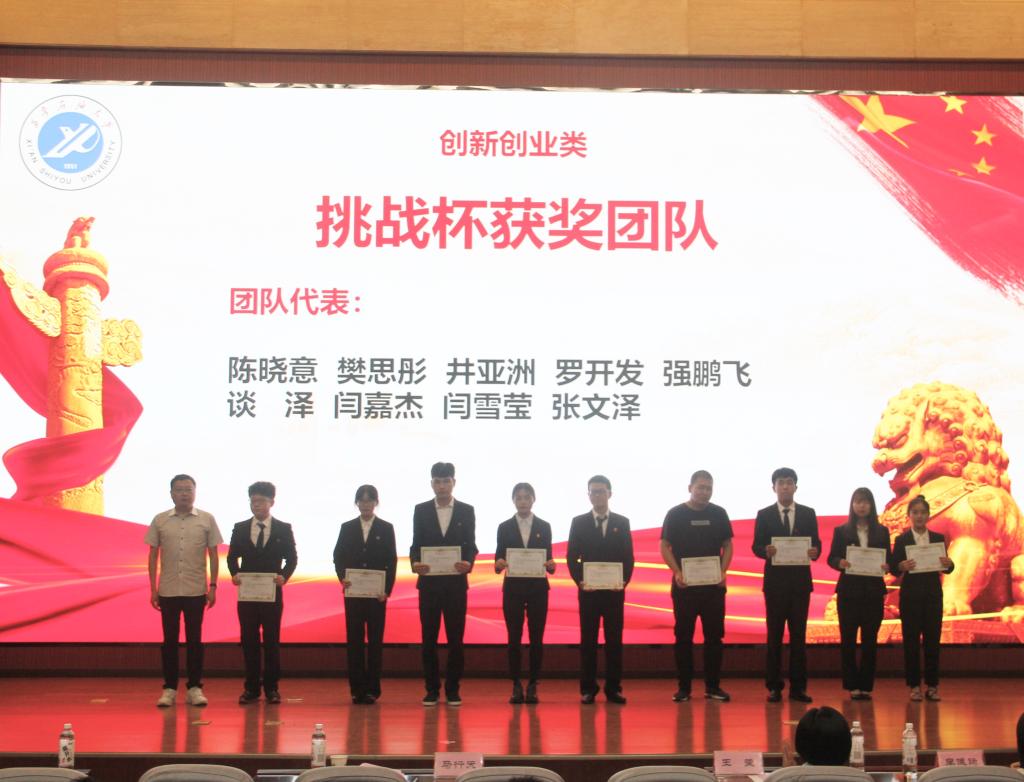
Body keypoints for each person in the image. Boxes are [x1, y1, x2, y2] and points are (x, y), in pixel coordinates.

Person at [145, 474, 223, 708]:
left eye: (188, 489)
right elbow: (152, 556)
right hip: (168, 590)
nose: (184, 494)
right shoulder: (160, 520)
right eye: (179, 489)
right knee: (169, 641)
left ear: (195, 492)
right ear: (171, 494)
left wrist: (213, 586)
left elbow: (213, 555)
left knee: (194, 641)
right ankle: (169, 688)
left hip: (196, 590)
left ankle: (195, 688)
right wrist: (153, 589)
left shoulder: (206, 519)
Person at [660, 470, 733, 703]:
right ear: (690, 488)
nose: (704, 492)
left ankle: (713, 686)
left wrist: (723, 571)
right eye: (700, 487)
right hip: (685, 588)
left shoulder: (719, 513)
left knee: (714, 638)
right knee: (683, 638)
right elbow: (664, 545)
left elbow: (728, 545)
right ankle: (684, 688)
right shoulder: (675, 514)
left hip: (713, 588)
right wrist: (677, 572)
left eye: (708, 488)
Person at [409, 462, 478, 706]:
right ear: (431, 484)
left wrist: (468, 562)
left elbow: (471, 545)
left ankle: (452, 689)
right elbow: (416, 545)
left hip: (455, 585)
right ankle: (431, 689)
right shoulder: (421, 510)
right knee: (428, 639)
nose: (442, 486)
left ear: (453, 482)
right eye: (437, 481)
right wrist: (415, 563)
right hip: (429, 585)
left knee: (455, 640)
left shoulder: (466, 510)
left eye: (446, 481)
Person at [752, 467, 821, 703]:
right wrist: (765, 550)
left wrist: (815, 551)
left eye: (789, 482)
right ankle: (774, 686)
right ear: (773, 487)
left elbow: (816, 545)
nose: (785, 486)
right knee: (774, 636)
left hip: (800, 584)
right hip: (775, 585)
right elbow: (756, 546)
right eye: (780, 482)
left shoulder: (808, 513)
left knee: (799, 637)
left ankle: (798, 688)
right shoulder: (764, 514)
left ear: (795, 487)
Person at [227, 481, 298, 705]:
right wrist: (235, 574)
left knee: (271, 640)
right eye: (253, 501)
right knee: (249, 640)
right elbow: (232, 557)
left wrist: (284, 576)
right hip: (247, 595)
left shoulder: (283, 528)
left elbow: (292, 559)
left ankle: (272, 688)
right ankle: (251, 688)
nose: (256, 505)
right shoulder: (240, 528)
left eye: (261, 501)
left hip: (271, 594)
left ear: (271, 502)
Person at [566, 474, 634, 704]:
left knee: (614, 641)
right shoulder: (578, 522)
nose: (597, 496)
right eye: (593, 492)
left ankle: (614, 688)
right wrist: (580, 581)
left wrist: (623, 582)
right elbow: (572, 557)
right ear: (588, 495)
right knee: (588, 641)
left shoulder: (622, 522)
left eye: (601, 491)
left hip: (614, 593)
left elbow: (628, 557)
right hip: (589, 593)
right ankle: (588, 689)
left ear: (609, 494)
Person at [334, 484, 398, 705]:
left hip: (376, 595)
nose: (366, 504)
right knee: (354, 641)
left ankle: (373, 689)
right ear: (357, 503)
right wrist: (342, 577)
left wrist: (386, 590)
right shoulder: (347, 527)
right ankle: (356, 689)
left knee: (375, 642)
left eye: (370, 500)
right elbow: (338, 556)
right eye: (361, 500)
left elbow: (391, 561)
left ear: (376, 503)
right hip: (353, 593)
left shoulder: (386, 528)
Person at [494, 482, 556, 704]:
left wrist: (551, 565)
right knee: (514, 638)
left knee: (536, 638)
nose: (522, 501)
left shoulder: (544, 526)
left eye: (526, 497)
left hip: (538, 590)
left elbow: (549, 560)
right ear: (513, 500)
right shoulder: (504, 527)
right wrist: (499, 564)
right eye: (518, 497)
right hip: (513, 590)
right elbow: (498, 560)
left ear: (533, 499)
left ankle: (533, 684)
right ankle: (515, 684)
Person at [828, 486, 891, 700]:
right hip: (848, 593)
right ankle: (851, 684)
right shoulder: (841, 531)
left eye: (865, 502)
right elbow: (831, 558)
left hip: (873, 593)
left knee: (870, 641)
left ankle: (866, 685)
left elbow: (889, 560)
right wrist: (840, 562)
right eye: (857, 502)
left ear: (871, 505)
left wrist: (886, 566)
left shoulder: (882, 531)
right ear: (852, 505)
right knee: (848, 640)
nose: (861, 506)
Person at [891, 495, 954, 702]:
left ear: (928, 515)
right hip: (910, 597)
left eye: (922, 513)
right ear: (909, 516)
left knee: (932, 642)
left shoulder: (937, 538)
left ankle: (933, 686)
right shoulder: (902, 540)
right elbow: (894, 568)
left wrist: (949, 563)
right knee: (910, 642)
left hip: (932, 596)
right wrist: (901, 566)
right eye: (915, 512)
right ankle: (914, 686)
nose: (919, 516)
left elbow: (946, 567)